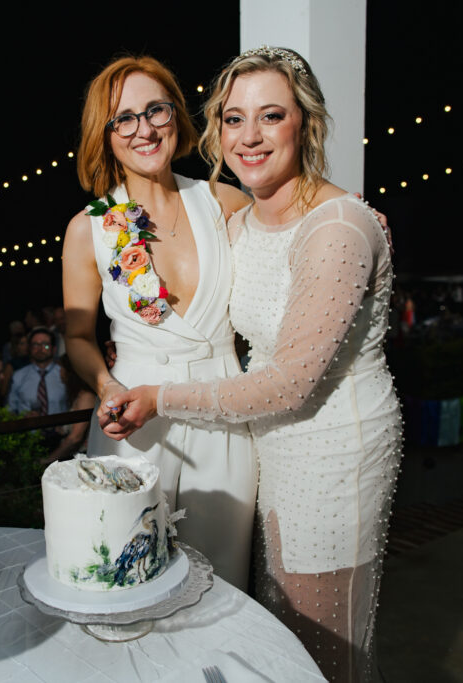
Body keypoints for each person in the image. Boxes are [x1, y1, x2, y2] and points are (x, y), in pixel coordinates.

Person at [101, 47, 402, 682]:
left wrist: (160, 397)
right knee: (275, 634)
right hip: (269, 448)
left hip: (332, 453)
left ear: (306, 124)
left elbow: (293, 380)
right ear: (216, 131)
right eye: (234, 119)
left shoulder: (338, 227)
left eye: (271, 116)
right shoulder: (244, 221)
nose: (250, 136)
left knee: (324, 646)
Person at [62, 55, 257, 591]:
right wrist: (107, 386)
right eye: (123, 118)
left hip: (223, 414)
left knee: (222, 585)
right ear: (104, 135)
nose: (144, 129)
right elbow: (77, 337)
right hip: (133, 427)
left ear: (177, 116)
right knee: (123, 579)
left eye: (156, 110)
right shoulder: (88, 229)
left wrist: (341, 212)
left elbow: (293, 238)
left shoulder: (226, 203)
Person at [43, 355, 97, 464]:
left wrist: (48, 460)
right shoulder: (78, 395)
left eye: (61, 368)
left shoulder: (86, 397)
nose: (59, 372)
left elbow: (75, 438)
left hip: (81, 459)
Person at [7, 327, 66, 416]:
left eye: (45, 345)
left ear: (54, 349)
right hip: (27, 429)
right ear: (30, 349)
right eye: (35, 345)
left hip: (59, 428)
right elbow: (10, 409)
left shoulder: (63, 374)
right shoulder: (18, 376)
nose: (40, 349)